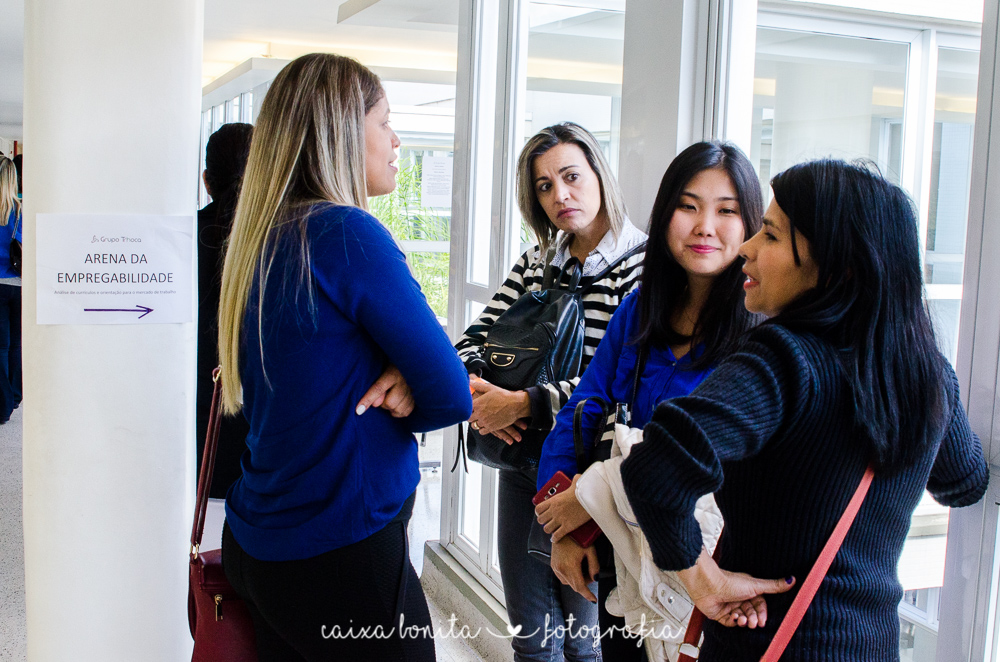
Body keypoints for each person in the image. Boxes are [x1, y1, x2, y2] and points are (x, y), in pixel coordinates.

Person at [618, 159, 988, 661]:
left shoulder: (781, 361)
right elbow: (964, 482)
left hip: (766, 640)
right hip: (870, 646)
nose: (747, 248)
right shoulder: (928, 376)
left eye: (769, 236)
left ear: (836, 266)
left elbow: (656, 469)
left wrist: (701, 580)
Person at [216, 53, 472, 661]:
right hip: (338, 555)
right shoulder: (345, 233)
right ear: (338, 130)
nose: (396, 140)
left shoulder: (262, 237)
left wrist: (403, 373)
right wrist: (411, 383)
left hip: (262, 538)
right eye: (384, 122)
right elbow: (453, 393)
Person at [533, 141, 764, 659]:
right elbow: (584, 409)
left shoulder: (762, 336)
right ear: (664, 216)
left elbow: (709, 466)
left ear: (751, 225)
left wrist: (590, 500)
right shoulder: (640, 310)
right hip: (627, 559)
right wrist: (566, 526)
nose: (705, 226)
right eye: (689, 206)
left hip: (709, 571)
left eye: (726, 211)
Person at [451, 121, 646, 662]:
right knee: (532, 640)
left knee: (587, 643)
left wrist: (525, 402)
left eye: (571, 176)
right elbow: (473, 341)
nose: (560, 195)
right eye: (543, 186)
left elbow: (618, 384)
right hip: (521, 462)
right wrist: (480, 395)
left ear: (599, 175)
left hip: (588, 473)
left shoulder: (643, 270)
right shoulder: (538, 262)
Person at [196, 122, 253, 499]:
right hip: (261, 428)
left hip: (192, 422)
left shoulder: (181, 238)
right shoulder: (286, 240)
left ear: (206, 180)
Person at [0, 157, 22, 422]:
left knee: (1, 347)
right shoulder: (21, 211)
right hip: (19, 284)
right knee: (16, 345)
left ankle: (4, 404)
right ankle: (14, 397)